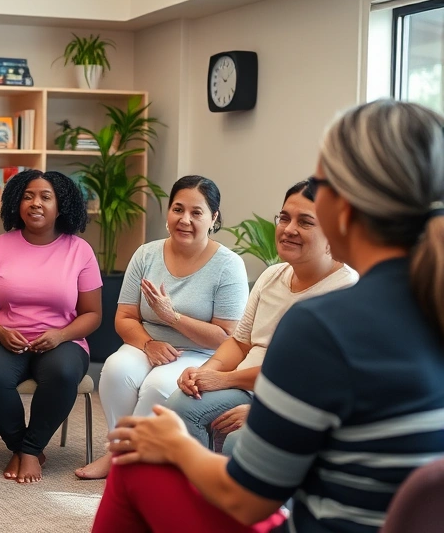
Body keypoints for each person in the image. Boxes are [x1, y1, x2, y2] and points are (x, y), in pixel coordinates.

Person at [94, 99, 444, 533]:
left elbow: (248, 500)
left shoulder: (324, 323)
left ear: (342, 208)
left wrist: (175, 446)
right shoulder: (424, 303)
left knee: (137, 464)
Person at [165, 180, 357, 456]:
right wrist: (205, 373)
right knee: (178, 408)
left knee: (238, 443)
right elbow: (240, 343)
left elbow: (309, 376)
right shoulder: (272, 276)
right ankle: (197, 495)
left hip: (295, 399)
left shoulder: (345, 290)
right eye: (285, 218)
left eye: (305, 222)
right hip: (247, 385)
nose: (289, 229)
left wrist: (228, 382)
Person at [77, 175, 249, 480]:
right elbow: (125, 317)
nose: (185, 220)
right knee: (116, 370)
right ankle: (124, 448)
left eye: (197, 213)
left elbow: (226, 337)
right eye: (178, 209)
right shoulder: (146, 254)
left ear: (213, 218)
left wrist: (172, 317)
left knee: (157, 385)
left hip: (200, 353)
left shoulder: (228, 265)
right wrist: (148, 344)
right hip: (147, 344)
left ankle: (119, 457)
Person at [0, 169, 103, 484]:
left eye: (46, 196)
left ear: (61, 206)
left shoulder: (79, 250)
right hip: (6, 338)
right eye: (28, 196)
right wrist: (0, 332)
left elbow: (92, 314)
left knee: (62, 373)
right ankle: (22, 446)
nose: (36, 203)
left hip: (63, 341)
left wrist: (61, 335)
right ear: (17, 202)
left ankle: (29, 449)